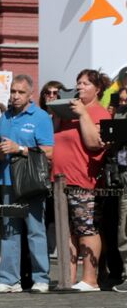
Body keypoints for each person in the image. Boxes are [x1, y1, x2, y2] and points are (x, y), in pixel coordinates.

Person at [0, 75, 54, 294]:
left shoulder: (41, 117)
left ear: (30, 95)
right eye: (13, 92)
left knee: (35, 231)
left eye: (20, 92)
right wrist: (1, 150)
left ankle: (41, 278)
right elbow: (1, 146)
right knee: (9, 231)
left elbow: (49, 152)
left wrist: (20, 149)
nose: (15, 96)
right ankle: (9, 279)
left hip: (30, 182)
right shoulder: (5, 117)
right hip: (7, 180)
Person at [51, 69, 111, 291]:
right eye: (78, 83)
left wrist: (83, 114)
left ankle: (90, 279)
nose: (80, 87)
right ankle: (68, 278)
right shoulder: (71, 113)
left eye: (86, 83)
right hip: (60, 180)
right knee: (67, 232)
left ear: (97, 89)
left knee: (87, 228)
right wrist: (58, 115)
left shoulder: (98, 113)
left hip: (83, 180)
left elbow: (95, 143)